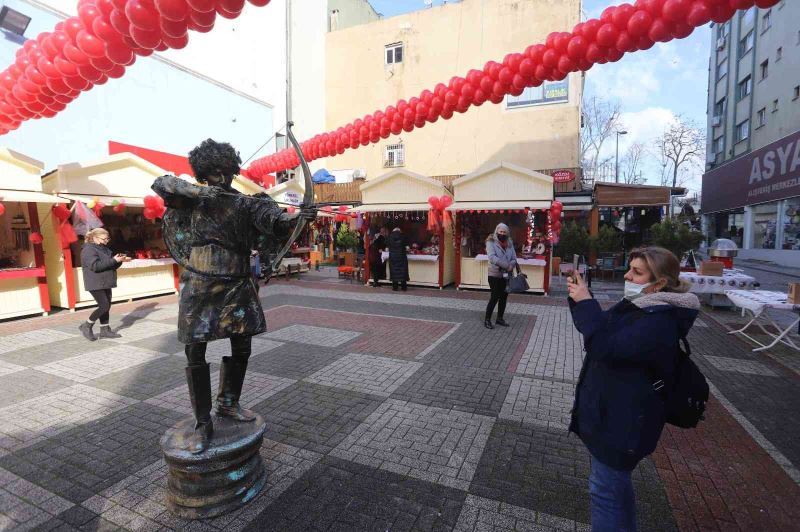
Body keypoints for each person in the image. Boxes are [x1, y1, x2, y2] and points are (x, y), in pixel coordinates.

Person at [152, 139, 314, 454]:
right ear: (203, 174)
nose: (221, 178)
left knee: (242, 346)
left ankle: (228, 402)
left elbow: (275, 222)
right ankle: (202, 421)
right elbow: (162, 183)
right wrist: (196, 192)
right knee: (195, 351)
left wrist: (298, 217)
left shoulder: (246, 203)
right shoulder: (192, 200)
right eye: (214, 173)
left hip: (237, 283)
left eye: (226, 171)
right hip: (200, 284)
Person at [566, 247, 700, 531]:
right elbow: (602, 329)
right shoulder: (641, 305)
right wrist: (581, 299)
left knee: (605, 493)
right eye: (630, 268)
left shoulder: (659, 319)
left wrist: (587, 303)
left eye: (637, 272)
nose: (627, 276)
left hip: (623, 422)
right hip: (614, 414)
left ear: (659, 283)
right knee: (613, 490)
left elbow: (604, 346)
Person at [78, 228, 130, 341]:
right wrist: (114, 260)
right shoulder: (88, 250)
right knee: (104, 306)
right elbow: (95, 266)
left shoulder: (104, 248)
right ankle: (87, 325)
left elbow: (110, 264)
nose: (107, 241)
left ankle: (105, 330)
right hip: (95, 282)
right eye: (104, 239)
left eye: (108, 238)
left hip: (106, 281)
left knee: (107, 306)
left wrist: (119, 261)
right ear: (95, 238)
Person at [485, 223, 518, 329]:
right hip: (494, 274)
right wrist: (506, 265)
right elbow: (492, 257)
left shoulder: (509, 243)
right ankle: (487, 320)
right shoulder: (491, 242)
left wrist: (511, 265)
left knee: (504, 297)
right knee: (494, 297)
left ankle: (500, 318)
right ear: (497, 231)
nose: (502, 234)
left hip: (506, 275)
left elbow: (514, 258)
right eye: (500, 231)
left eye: (504, 232)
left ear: (507, 233)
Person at [387, 226, 409, 291]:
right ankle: (404, 287)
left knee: (394, 272)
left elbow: (387, 247)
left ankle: (395, 287)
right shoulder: (403, 236)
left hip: (393, 257)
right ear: (399, 231)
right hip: (402, 256)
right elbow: (407, 247)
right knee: (403, 271)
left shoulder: (390, 237)